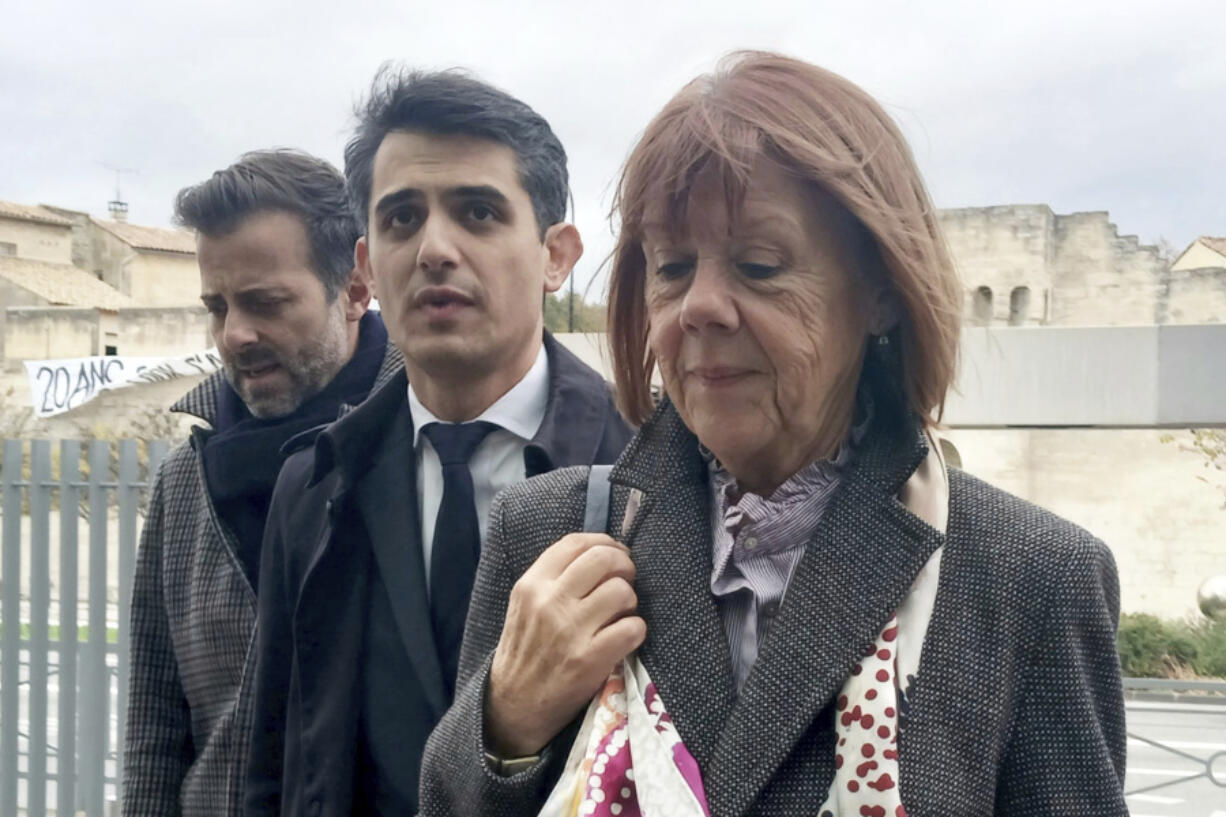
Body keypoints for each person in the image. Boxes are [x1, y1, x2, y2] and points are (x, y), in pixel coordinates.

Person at [419, 52, 1128, 816]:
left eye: (759, 265)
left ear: (882, 293)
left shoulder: (1026, 578)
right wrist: (507, 725)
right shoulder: (549, 535)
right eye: (673, 266)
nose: (701, 306)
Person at [243, 68, 633, 817]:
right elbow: (276, 755)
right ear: (366, 267)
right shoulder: (317, 482)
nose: (434, 248)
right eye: (401, 219)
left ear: (556, 255)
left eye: (479, 211)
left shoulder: (642, 473)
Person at [124, 149, 402, 816]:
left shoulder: (420, 442)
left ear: (356, 290)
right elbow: (155, 730)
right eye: (216, 306)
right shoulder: (185, 481)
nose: (234, 333)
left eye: (265, 302)